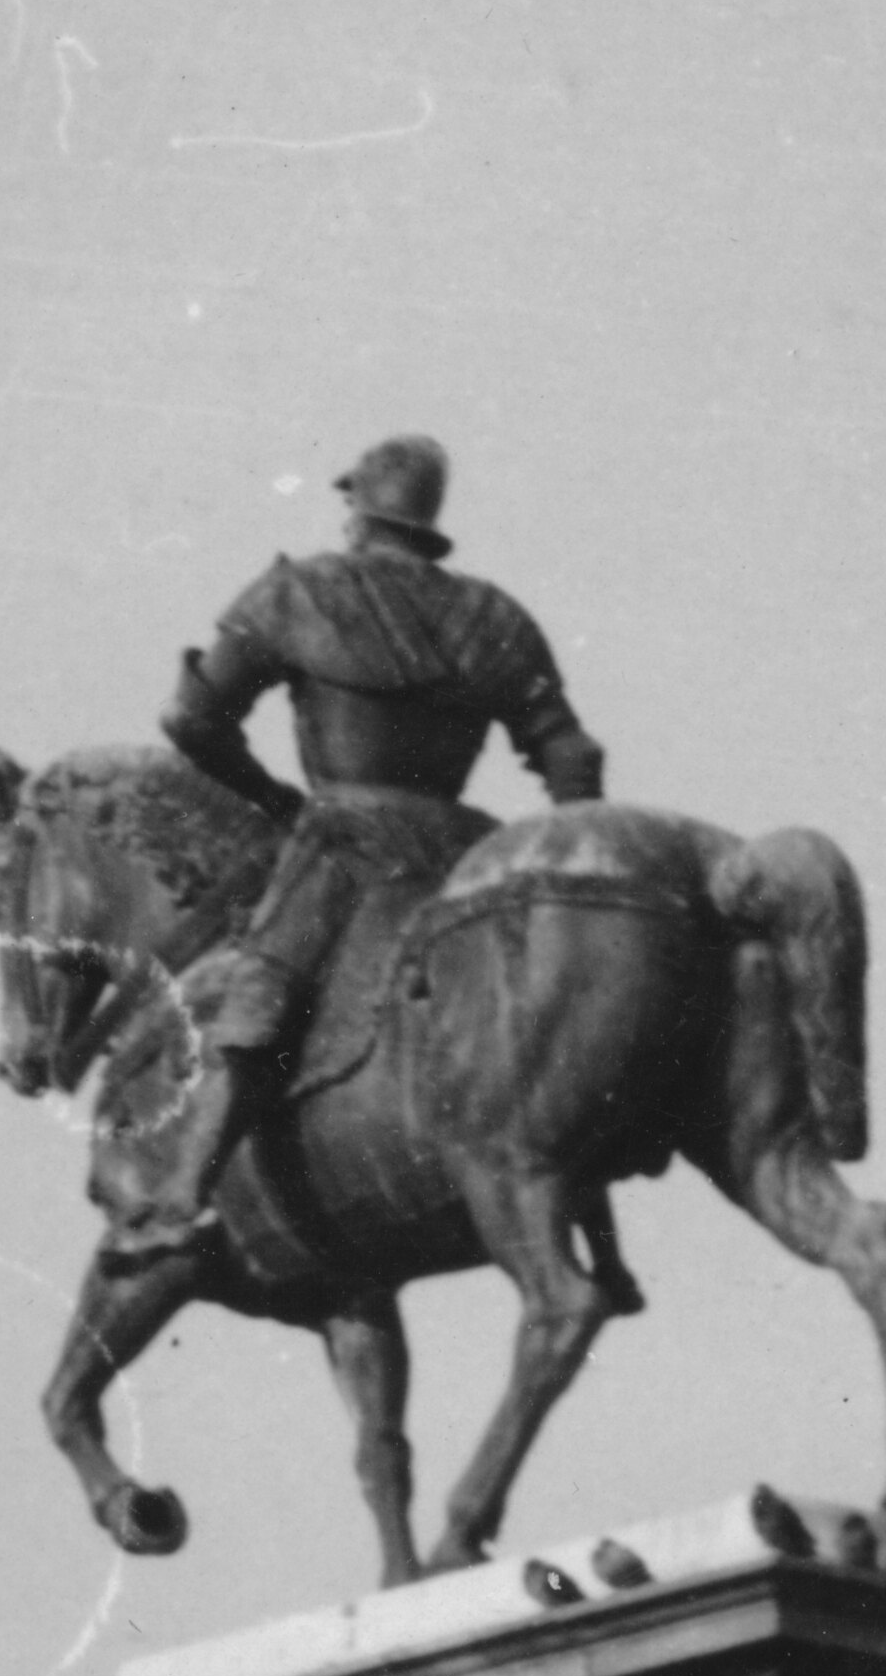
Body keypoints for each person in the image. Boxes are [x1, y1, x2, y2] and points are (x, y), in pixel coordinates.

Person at [137, 432, 610, 1257]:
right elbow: (571, 756)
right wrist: (565, 851)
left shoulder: (299, 592)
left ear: (358, 511)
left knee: (263, 987)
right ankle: (597, 1237)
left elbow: (191, 719)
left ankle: (184, 1193)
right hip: (462, 856)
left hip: (343, 842)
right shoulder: (495, 617)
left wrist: (274, 798)